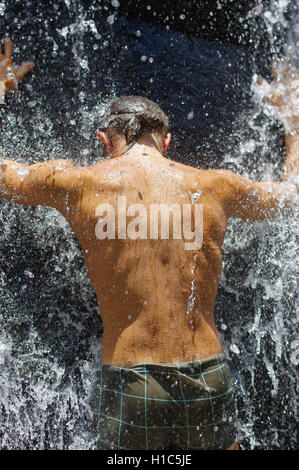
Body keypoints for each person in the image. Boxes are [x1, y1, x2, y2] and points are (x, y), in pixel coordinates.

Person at [0, 37, 298, 451]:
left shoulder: (77, 184)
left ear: (106, 141)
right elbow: (292, 195)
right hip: (207, 375)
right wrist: (293, 117)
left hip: (130, 379)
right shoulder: (214, 186)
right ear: (167, 142)